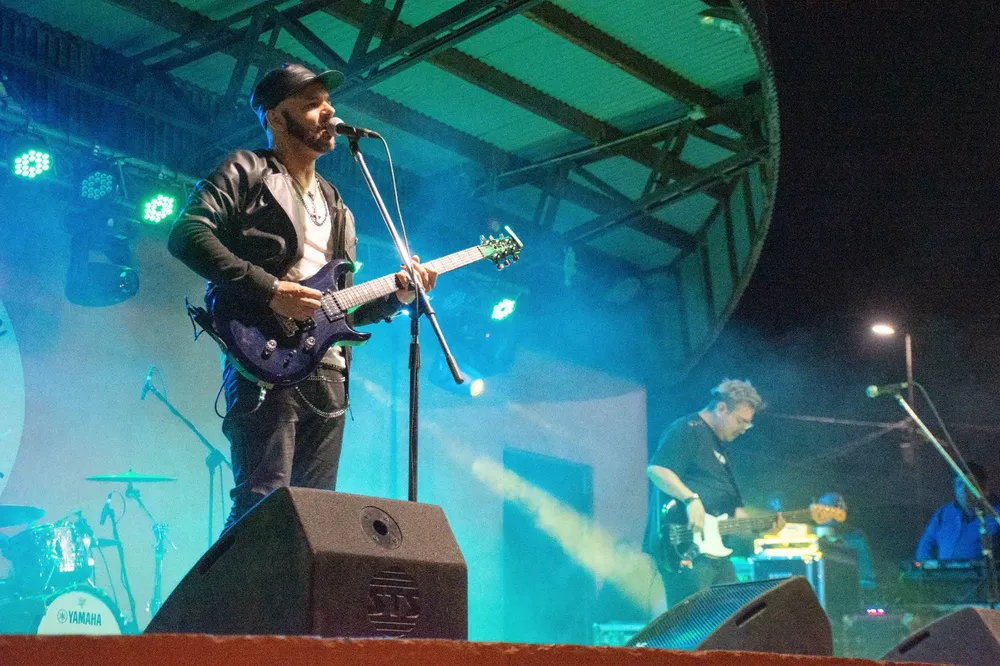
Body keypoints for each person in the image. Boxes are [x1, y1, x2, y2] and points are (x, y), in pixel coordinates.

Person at [168, 63, 437, 531]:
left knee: (314, 522)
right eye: (311, 103)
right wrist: (271, 290)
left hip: (328, 373)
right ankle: (229, 604)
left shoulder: (338, 204)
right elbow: (187, 234)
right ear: (275, 118)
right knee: (262, 504)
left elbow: (343, 305)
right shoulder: (246, 170)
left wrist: (397, 295)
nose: (327, 110)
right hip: (263, 363)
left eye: (328, 101)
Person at [643, 379, 766, 608]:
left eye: (748, 424)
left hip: (715, 552)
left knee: (728, 621)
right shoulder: (688, 429)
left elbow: (734, 513)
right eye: (741, 421)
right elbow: (657, 470)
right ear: (721, 408)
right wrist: (691, 499)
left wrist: (763, 526)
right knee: (693, 626)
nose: (743, 429)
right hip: (686, 547)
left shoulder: (720, 448)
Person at [915, 462, 999, 561]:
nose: (964, 490)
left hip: (984, 575)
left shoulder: (996, 514)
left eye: (969, 484)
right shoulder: (943, 513)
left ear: (984, 488)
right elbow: (925, 545)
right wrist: (928, 570)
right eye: (959, 485)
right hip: (945, 575)